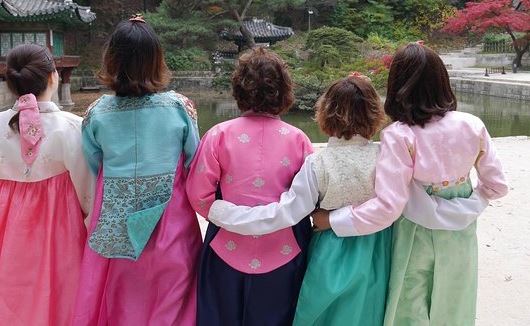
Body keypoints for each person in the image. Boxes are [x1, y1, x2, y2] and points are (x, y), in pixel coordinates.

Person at [313, 42, 509, 326]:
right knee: (456, 303)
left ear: (397, 85)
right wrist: (470, 201)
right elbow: (497, 185)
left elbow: (388, 207)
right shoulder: (472, 125)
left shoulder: (400, 135)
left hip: (415, 234)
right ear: (443, 81)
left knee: (410, 307)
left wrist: (334, 220)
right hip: (461, 234)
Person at [208, 73, 392, 326]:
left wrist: (226, 214)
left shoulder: (318, 163)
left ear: (325, 113)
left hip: (331, 248)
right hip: (377, 248)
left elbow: (287, 213)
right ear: (375, 113)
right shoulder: (386, 156)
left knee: (322, 314)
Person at [71, 17, 201, 326]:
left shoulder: (96, 113)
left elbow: (93, 162)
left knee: (121, 299)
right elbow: (194, 161)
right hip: (172, 217)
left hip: (117, 219)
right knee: (174, 298)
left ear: (112, 61)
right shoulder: (179, 108)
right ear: (156, 60)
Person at [0, 43, 94, 326]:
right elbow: (89, 192)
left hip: (7, 231)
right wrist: (89, 225)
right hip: (61, 231)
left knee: (11, 298)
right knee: (61, 295)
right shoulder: (71, 127)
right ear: (53, 76)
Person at [186, 48, 314, 326]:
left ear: (239, 88)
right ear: (284, 90)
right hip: (284, 248)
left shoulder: (218, 135)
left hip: (226, 247)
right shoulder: (300, 140)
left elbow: (198, 196)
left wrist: (232, 217)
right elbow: (309, 199)